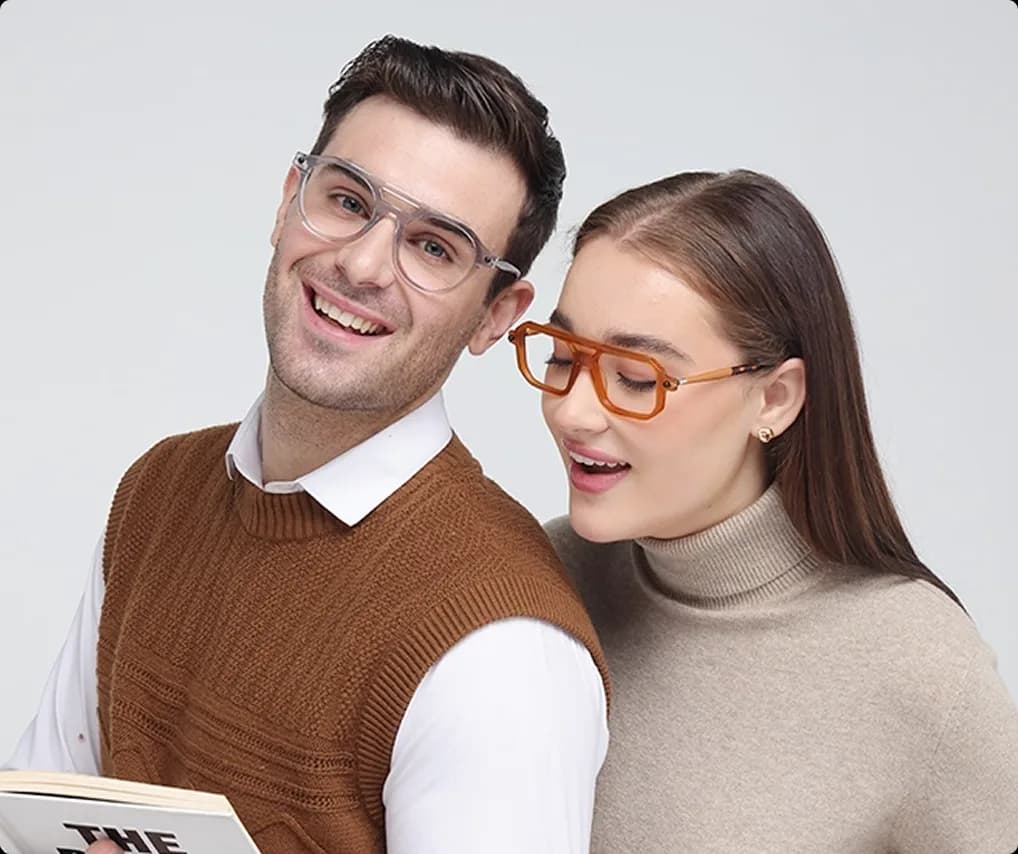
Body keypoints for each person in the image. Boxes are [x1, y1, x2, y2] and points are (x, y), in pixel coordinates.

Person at [7, 36, 610, 854]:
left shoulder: (499, 650)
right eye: (348, 200)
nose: (362, 264)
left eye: (435, 247)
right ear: (289, 200)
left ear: (496, 316)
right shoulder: (156, 491)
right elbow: (43, 822)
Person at [508, 169, 1018, 852]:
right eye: (565, 356)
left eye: (636, 378)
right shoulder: (536, 588)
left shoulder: (918, 669)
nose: (572, 410)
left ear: (774, 399)